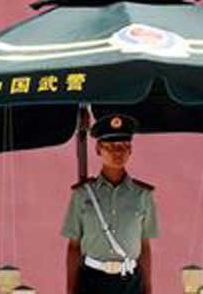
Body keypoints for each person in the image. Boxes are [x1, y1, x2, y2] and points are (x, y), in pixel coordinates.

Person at [61, 114, 158, 294]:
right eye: (111, 147)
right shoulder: (82, 195)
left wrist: (148, 287)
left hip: (130, 281)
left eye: (123, 146)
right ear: (99, 149)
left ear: (130, 150)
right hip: (91, 280)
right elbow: (74, 246)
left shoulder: (142, 195)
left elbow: (144, 246)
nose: (117, 153)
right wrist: (70, 289)